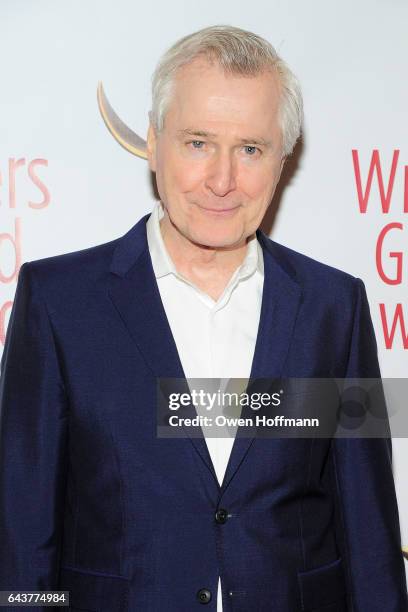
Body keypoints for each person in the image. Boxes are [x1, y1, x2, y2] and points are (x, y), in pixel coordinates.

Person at [0, 24, 407, 612]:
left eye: (250, 149)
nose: (223, 181)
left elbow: (368, 531)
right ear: (154, 140)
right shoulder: (59, 302)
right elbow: (22, 531)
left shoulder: (333, 307)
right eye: (197, 143)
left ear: (281, 160)